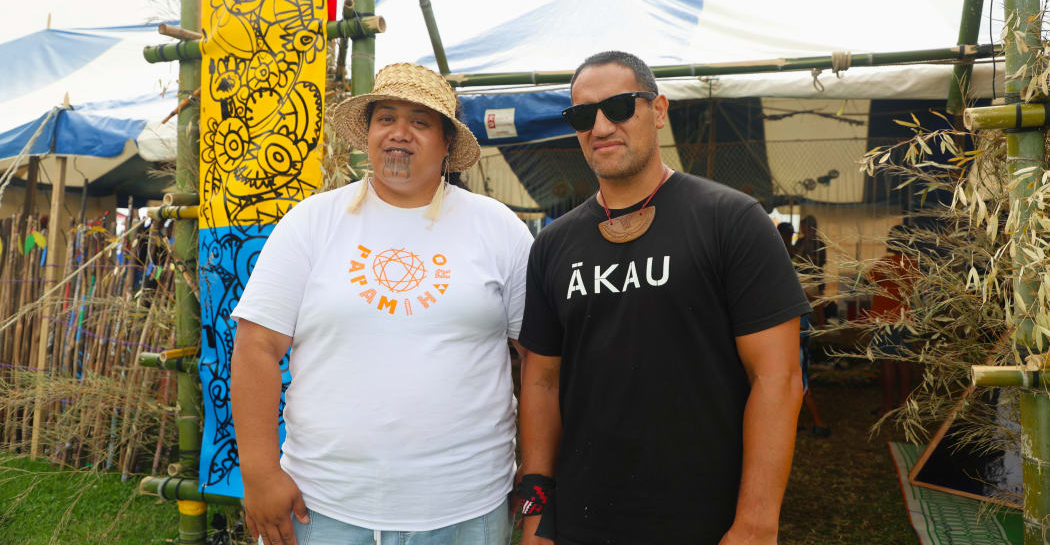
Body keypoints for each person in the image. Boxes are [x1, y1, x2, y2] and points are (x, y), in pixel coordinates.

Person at [230, 63, 533, 545]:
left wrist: (536, 473)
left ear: (448, 144)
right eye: (385, 117)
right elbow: (256, 346)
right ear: (368, 133)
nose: (399, 133)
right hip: (324, 507)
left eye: (419, 121)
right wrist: (260, 474)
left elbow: (538, 362)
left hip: (466, 507)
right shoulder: (312, 222)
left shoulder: (498, 229)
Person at [516, 51, 811, 545]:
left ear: (657, 110)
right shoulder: (553, 244)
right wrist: (536, 517)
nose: (601, 126)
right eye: (583, 115)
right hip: (584, 520)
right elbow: (541, 382)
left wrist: (757, 523)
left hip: (707, 519)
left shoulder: (732, 220)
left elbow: (777, 378)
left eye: (619, 107)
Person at [777, 221, 830, 438]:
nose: (790, 237)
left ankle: (817, 421)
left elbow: (808, 296)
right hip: (794, 328)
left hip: (796, 328)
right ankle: (797, 422)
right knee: (794, 378)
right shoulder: (785, 256)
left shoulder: (791, 258)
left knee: (798, 378)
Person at [868, 224, 916, 416]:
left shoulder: (885, 263)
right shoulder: (913, 263)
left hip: (885, 319)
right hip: (906, 319)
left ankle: (887, 406)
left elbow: (868, 280)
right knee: (904, 362)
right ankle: (903, 404)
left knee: (887, 362)